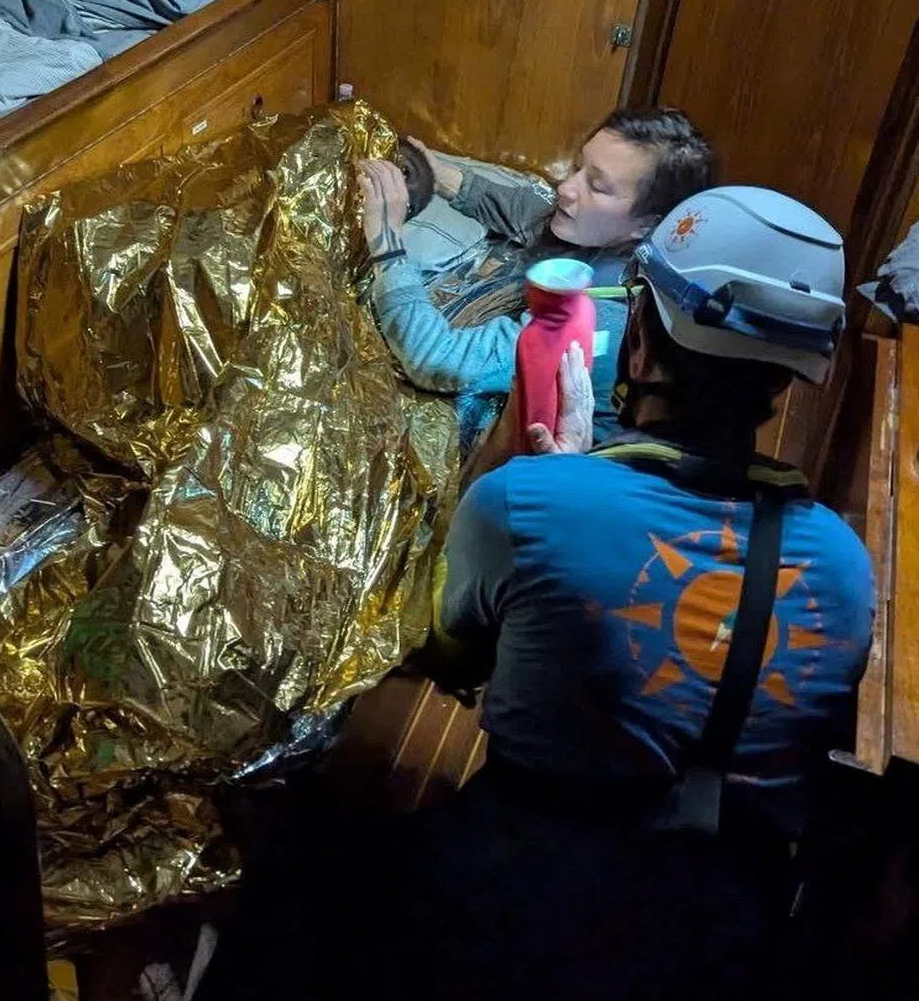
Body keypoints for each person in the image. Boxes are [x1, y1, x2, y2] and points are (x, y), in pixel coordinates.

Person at [390, 186, 872, 1000]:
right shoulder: (844, 562)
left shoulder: (528, 504)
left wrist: (557, 475)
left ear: (640, 341)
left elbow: (451, 655)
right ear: (784, 383)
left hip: (522, 890)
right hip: (717, 922)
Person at [356, 107, 716, 443]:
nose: (566, 188)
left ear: (647, 223)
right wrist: (438, 176)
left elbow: (435, 358)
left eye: (597, 186)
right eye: (577, 168)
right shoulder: (633, 240)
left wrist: (387, 242)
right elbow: (535, 213)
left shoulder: (595, 314)